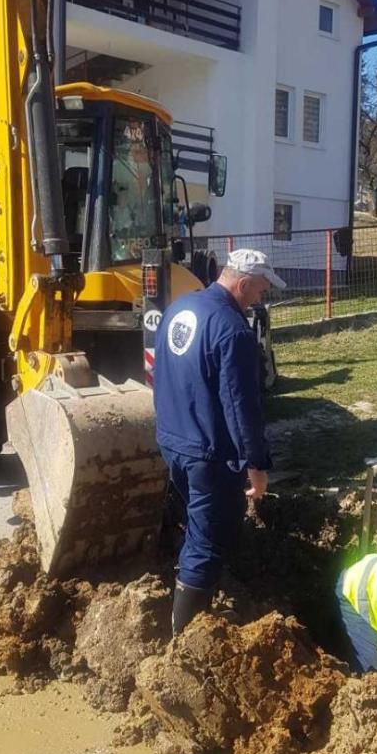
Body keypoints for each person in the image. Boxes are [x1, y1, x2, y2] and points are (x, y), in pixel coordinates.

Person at [153, 249, 285, 633]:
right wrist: (256, 465)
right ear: (243, 283)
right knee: (209, 539)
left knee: (196, 522)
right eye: (260, 290)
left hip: (174, 441)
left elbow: (161, 373)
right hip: (207, 452)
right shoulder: (232, 330)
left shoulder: (180, 309)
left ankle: (193, 597)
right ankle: (186, 639)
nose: (260, 298)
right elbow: (240, 406)